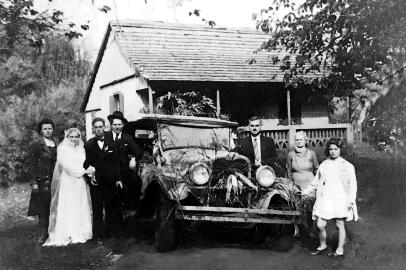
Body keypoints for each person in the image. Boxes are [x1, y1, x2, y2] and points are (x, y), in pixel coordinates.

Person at [302, 138, 358, 257]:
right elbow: (316, 181)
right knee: (320, 224)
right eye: (331, 149)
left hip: (340, 198)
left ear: (340, 150)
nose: (333, 152)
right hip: (326, 198)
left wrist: (350, 201)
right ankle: (323, 245)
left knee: (339, 224)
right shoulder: (324, 164)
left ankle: (339, 249)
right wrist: (305, 191)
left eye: (336, 149)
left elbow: (353, 185)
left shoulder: (347, 166)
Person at [43, 128, 95, 246]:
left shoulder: (81, 148)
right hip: (69, 180)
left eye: (76, 137)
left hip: (80, 181)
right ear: (67, 137)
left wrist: (90, 171)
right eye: (71, 137)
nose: (74, 139)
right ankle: (67, 232)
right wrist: (85, 171)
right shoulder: (62, 149)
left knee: (79, 204)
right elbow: (67, 166)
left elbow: (85, 162)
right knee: (69, 205)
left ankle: (81, 231)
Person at [84, 117, 121, 240]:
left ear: (104, 128)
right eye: (96, 127)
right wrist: (90, 178)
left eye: (101, 127)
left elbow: (116, 163)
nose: (99, 129)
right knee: (97, 208)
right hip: (96, 182)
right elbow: (85, 164)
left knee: (110, 207)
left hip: (109, 181)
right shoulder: (88, 144)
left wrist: (118, 179)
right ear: (93, 129)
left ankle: (110, 233)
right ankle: (98, 235)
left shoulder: (112, 143)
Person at [27, 119, 59, 244]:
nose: (48, 131)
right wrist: (33, 183)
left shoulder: (56, 142)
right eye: (45, 129)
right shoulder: (36, 145)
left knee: (54, 206)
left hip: (55, 180)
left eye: (50, 128)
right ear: (41, 130)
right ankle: (43, 234)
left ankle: (54, 232)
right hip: (42, 180)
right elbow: (31, 165)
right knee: (43, 209)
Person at [105, 111, 142, 214]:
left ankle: (130, 211)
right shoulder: (105, 137)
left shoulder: (128, 138)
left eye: (119, 124)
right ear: (111, 125)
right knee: (110, 201)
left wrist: (134, 158)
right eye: (115, 124)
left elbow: (138, 152)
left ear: (123, 125)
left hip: (123, 171)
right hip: (109, 172)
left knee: (135, 181)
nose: (117, 127)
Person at [286, 131, 319, 238]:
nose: (299, 142)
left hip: (310, 185)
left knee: (309, 208)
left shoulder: (311, 153)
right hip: (296, 185)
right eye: (297, 140)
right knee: (296, 208)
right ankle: (297, 230)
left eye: (301, 139)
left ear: (305, 141)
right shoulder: (291, 155)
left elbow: (317, 170)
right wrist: (291, 184)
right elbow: (288, 171)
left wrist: (317, 184)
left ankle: (311, 229)